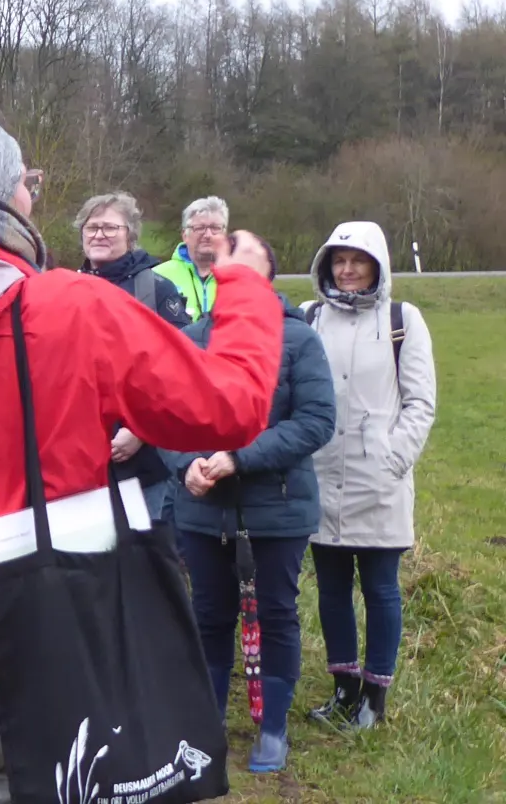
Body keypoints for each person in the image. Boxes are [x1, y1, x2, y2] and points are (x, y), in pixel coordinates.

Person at [0, 108, 285, 803]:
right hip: (69, 652)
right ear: (5, 197)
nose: (34, 195)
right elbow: (232, 405)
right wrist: (245, 288)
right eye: (29, 182)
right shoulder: (72, 308)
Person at [163, 237, 335, 773]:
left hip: (277, 511)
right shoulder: (191, 340)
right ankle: (206, 725)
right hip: (201, 512)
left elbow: (315, 421)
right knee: (208, 617)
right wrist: (185, 463)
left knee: (277, 615)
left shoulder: (299, 341)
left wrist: (239, 457)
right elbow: (165, 415)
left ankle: (273, 728)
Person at [302, 221, 437, 730]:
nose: (348, 269)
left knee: (380, 588)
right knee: (331, 587)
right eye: (339, 260)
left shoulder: (405, 320)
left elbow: (421, 401)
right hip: (321, 475)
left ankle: (375, 698)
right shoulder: (310, 317)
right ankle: (343, 689)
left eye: (358, 260)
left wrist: (393, 459)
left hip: (378, 479)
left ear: (377, 265)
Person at [76, 192, 191, 522]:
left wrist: (140, 432)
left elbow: (178, 370)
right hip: (81, 457)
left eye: (110, 227)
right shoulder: (66, 287)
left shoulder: (156, 290)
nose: (99, 234)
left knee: (141, 558)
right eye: (91, 227)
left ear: (131, 234)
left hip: (141, 460)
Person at [153, 196, 229, 319]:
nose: (208, 235)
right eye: (199, 228)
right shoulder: (158, 277)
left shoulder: (239, 278)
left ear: (225, 234)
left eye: (215, 228)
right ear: (184, 235)